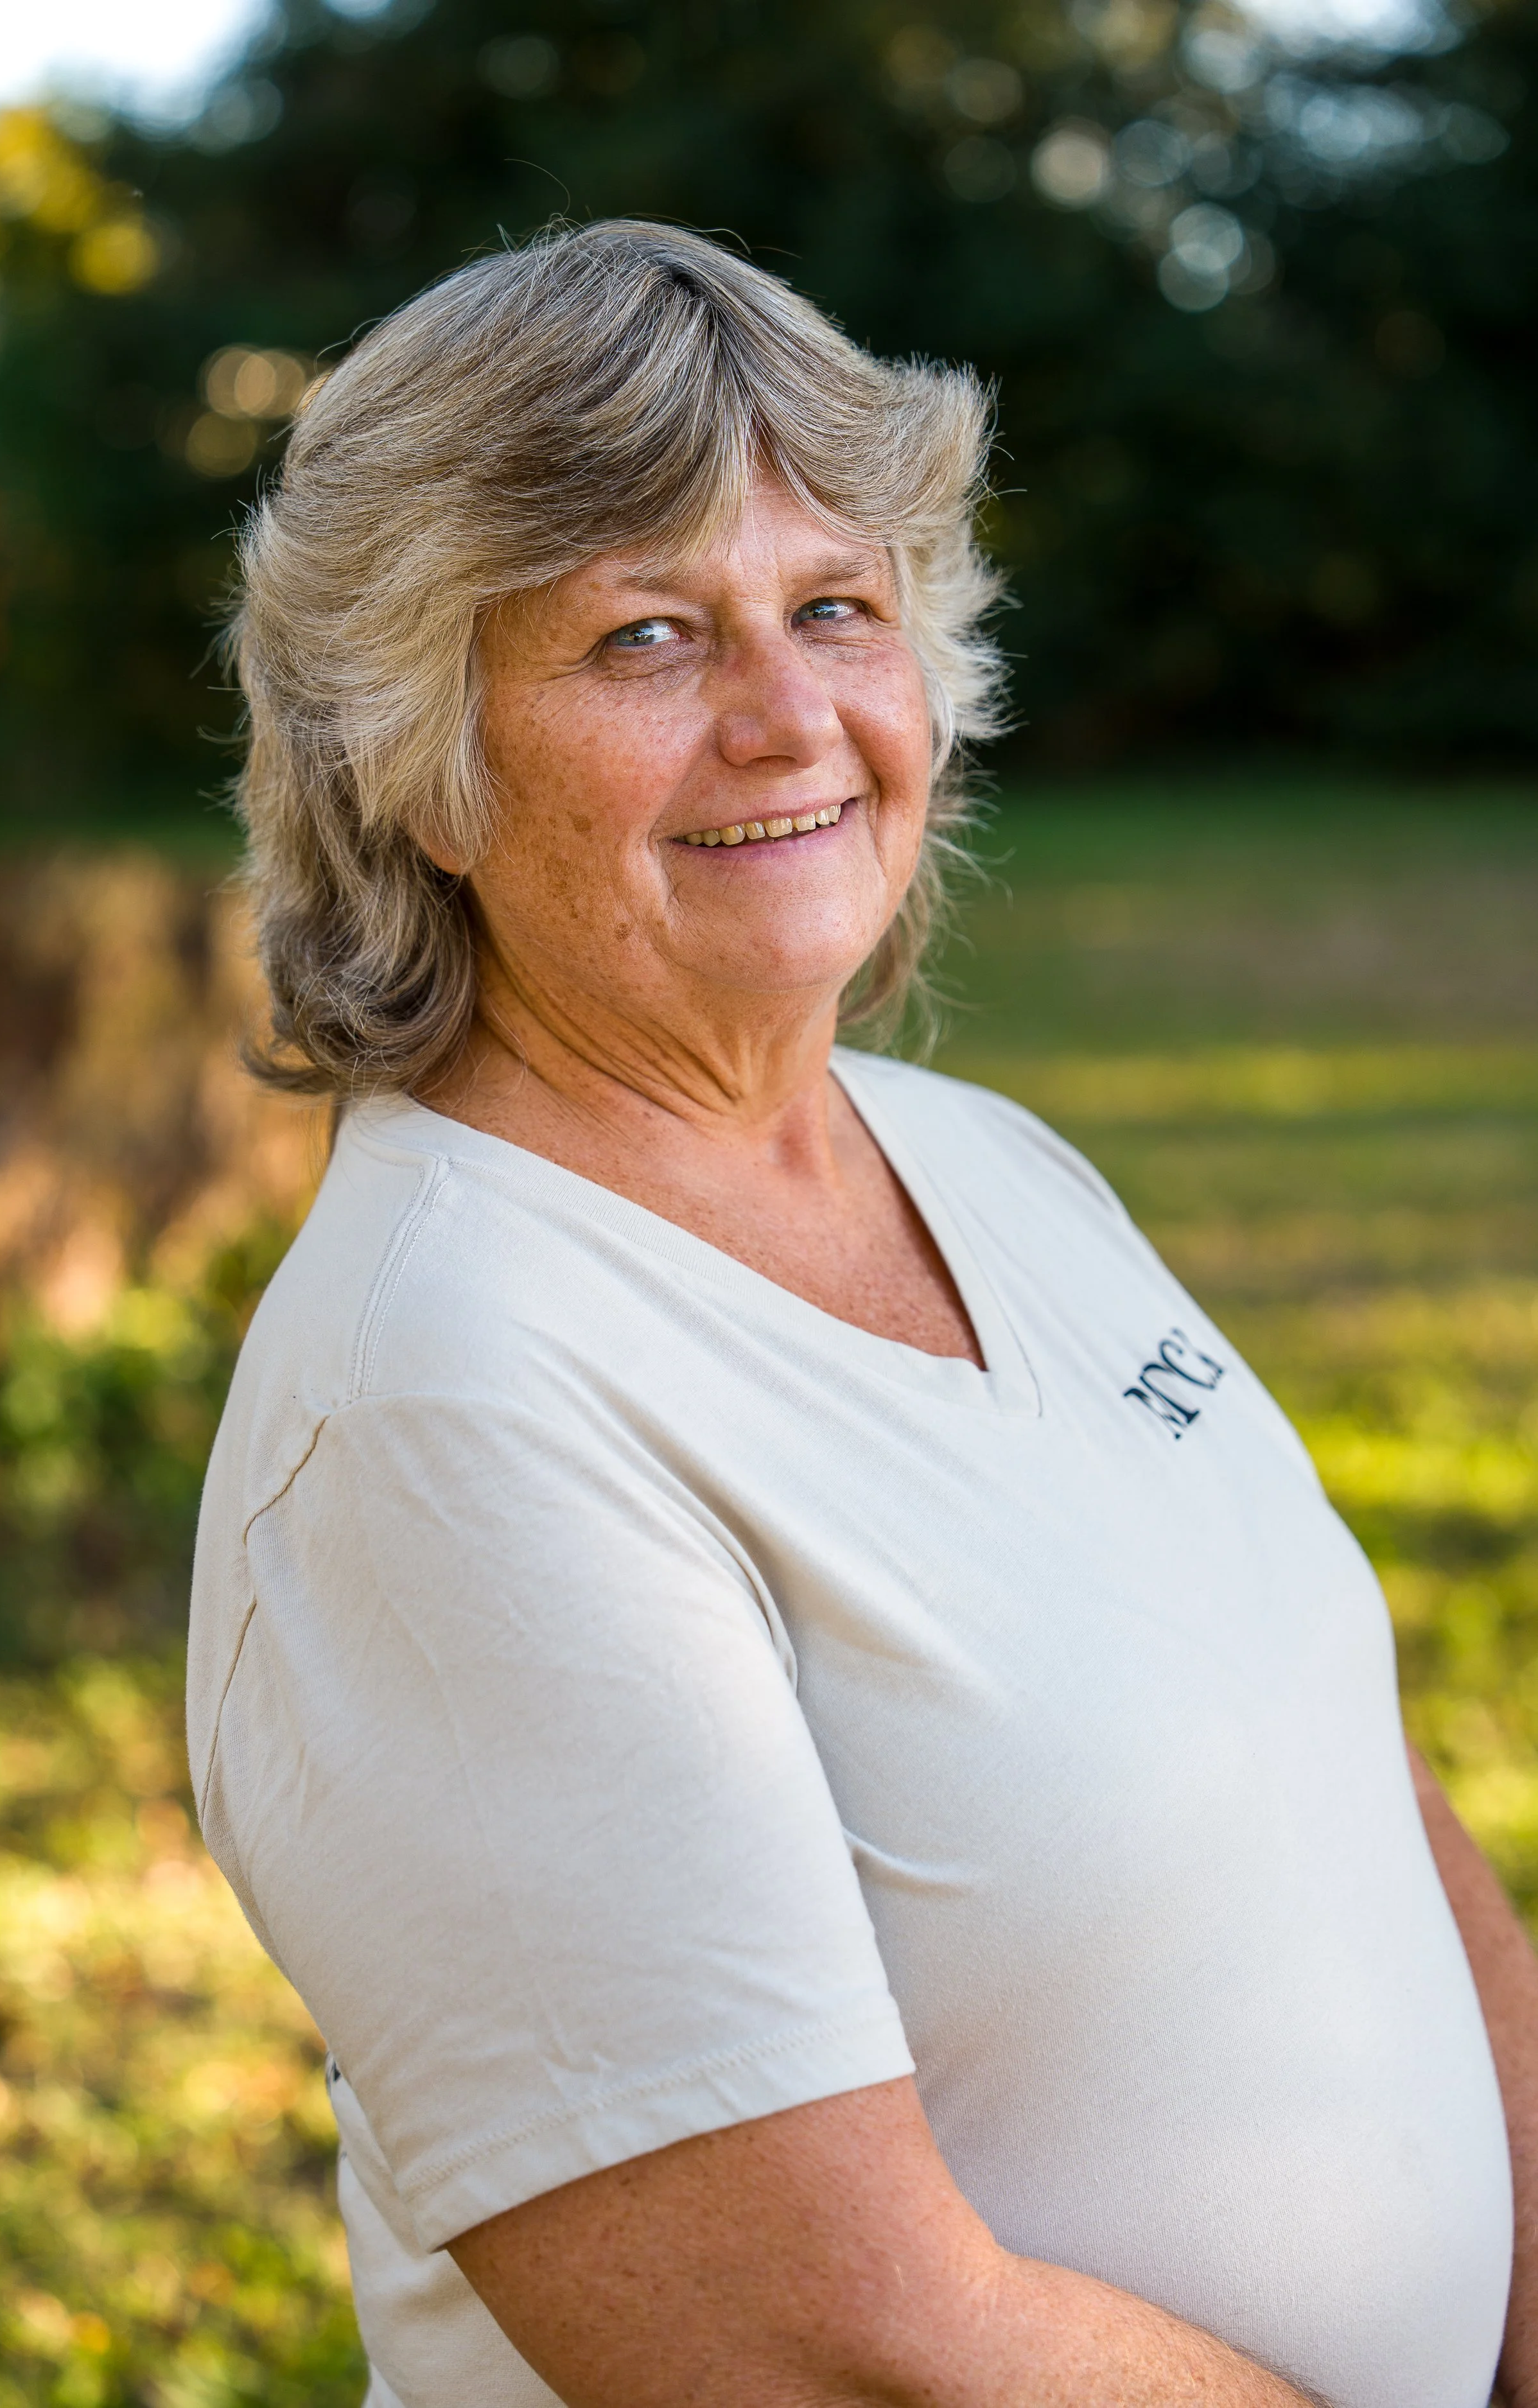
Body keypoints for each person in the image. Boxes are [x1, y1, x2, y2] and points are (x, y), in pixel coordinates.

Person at [188, 220, 1535, 2408]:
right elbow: (832, 2351)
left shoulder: (985, 1159)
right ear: (418, 759)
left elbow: (1344, 1774)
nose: (788, 715)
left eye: (836, 606)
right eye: (644, 636)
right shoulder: (442, 1406)